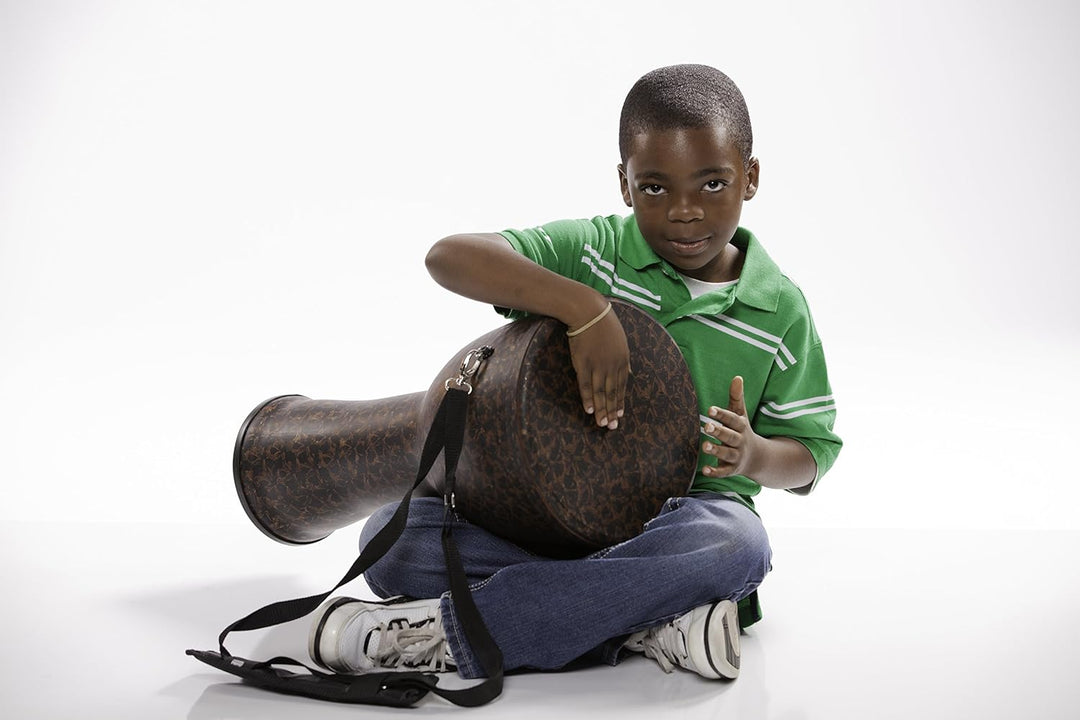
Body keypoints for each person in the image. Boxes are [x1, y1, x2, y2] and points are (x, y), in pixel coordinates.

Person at [307, 64, 842, 682]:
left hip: (682, 529)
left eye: (712, 183)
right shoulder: (596, 253)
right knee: (392, 540)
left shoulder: (780, 308)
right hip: (556, 525)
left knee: (737, 545)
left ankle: (454, 633)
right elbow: (449, 256)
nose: (685, 212)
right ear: (624, 184)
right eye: (655, 189)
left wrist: (753, 456)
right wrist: (585, 309)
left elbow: (812, 452)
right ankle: (649, 625)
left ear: (750, 177)